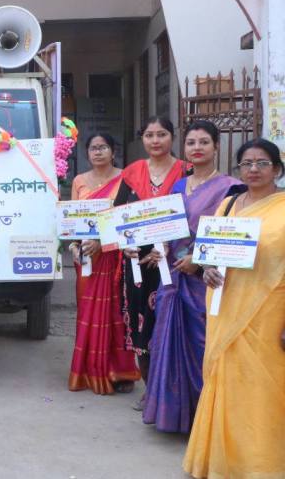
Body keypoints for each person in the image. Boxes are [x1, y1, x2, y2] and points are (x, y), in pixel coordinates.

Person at [183, 139, 285, 478]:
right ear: (238, 169)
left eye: (262, 163)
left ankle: (261, 465)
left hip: (269, 313)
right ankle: (219, 461)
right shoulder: (227, 205)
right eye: (246, 163)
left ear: (277, 169)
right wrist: (207, 267)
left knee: (262, 387)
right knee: (223, 381)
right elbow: (209, 253)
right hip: (224, 306)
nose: (253, 170)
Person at [144, 121, 238, 433]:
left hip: (204, 281)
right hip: (172, 276)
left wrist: (198, 261)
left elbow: (231, 236)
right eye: (191, 143)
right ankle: (173, 416)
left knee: (202, 345)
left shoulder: (230, 189)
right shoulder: (178, 187)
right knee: (166, 343)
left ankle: (204, 421)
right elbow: (166, 229)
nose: (196, 148)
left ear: (216, 147)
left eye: (204, 142)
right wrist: (160, 249)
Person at [115, 116, 188, 409]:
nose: (155, 141)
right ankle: (150, 391)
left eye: (161, 134)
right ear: (142, 139)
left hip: (173, 263)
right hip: (137, 264)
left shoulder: (187, 171)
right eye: (149, 135)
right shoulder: (132, 172)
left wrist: (173, 249)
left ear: (172, 137)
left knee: (170, 325)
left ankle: (173, 391)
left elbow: (193, 216)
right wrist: (126, 246)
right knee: (141, 328)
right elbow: (118, 216)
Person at [67, 132, 140, 395]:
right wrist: (74, 244)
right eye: (93, 148)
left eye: (103, 147)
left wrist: (104, 243)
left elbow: (128, 219)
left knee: (117, 313)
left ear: (113, 151)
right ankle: (88, 369)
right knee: (88, 311)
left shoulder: (126, 178)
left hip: (115, 254)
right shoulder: (79, 181)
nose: (98, 152)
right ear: (87, 153)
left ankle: (121, 372)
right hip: (86, 256)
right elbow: (72, 219)